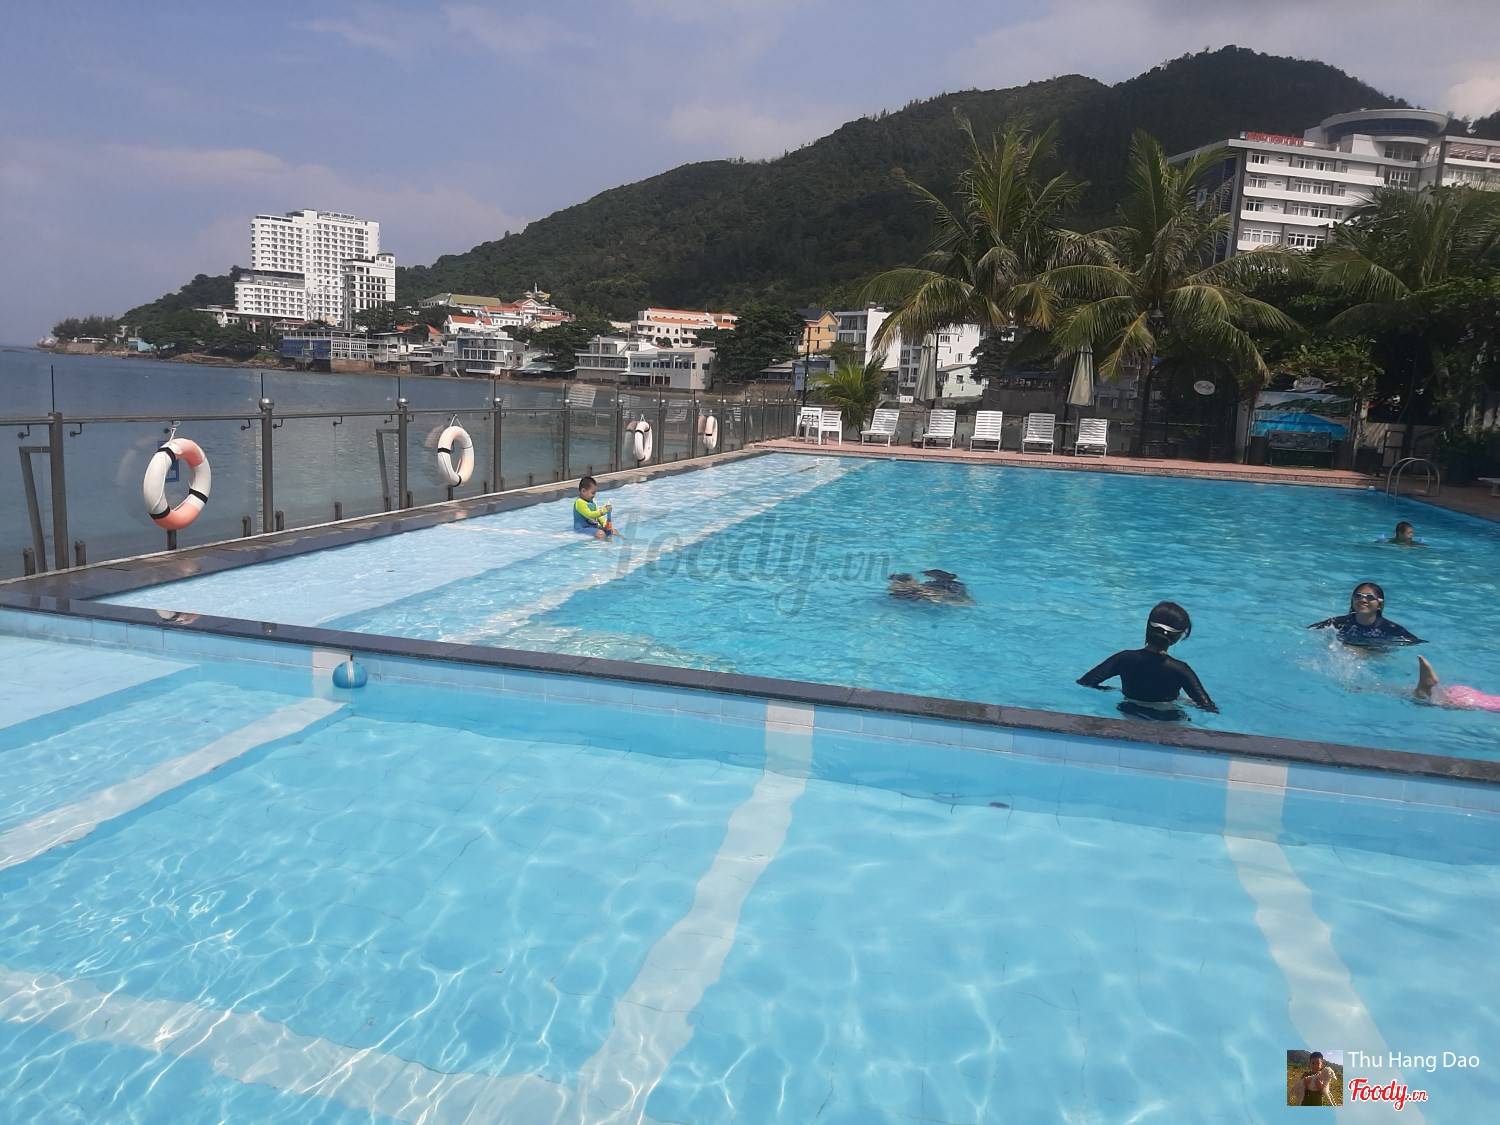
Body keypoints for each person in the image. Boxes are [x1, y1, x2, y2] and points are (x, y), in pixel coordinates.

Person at [1077, 601, 1217, 720]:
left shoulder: (1123, 658)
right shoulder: (1181, 669)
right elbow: (1208, 707)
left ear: (1148, 628)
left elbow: (1086, 682)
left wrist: (1113, 690)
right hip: (1169, 721)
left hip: (1128, 715)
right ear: (1177, 638)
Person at [1307, 582, 1423, 648]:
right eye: (1358, 596)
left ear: (1379, 605)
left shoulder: (1390, 628)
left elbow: (1416, 643)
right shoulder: (1339, 623)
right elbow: (1309, 630)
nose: (1363, 600)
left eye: (1370, 597)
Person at [1414, 656, 1500, 712]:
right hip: (1470, 701)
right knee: (1423, 699)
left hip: (1469, 693)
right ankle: (1425, 687)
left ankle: (1425, 686)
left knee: (1413, 695)